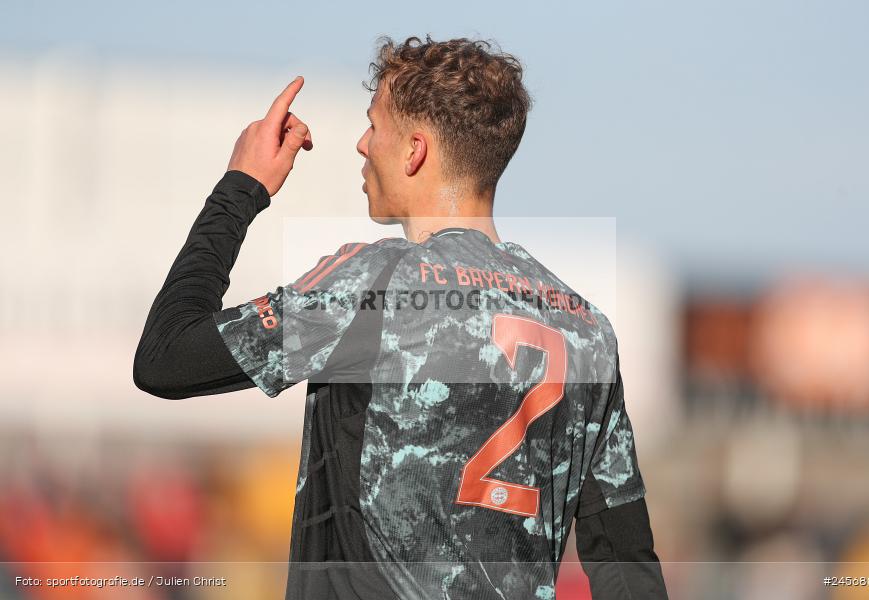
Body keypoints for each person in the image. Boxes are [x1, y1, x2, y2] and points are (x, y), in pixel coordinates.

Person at [134, 36, 669, 600]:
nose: (362, 145)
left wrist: (241, 187)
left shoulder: (374, 285)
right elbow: (626, 564)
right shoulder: (585, 328)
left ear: (415, 150)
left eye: (373, 126)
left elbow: (165, 357)